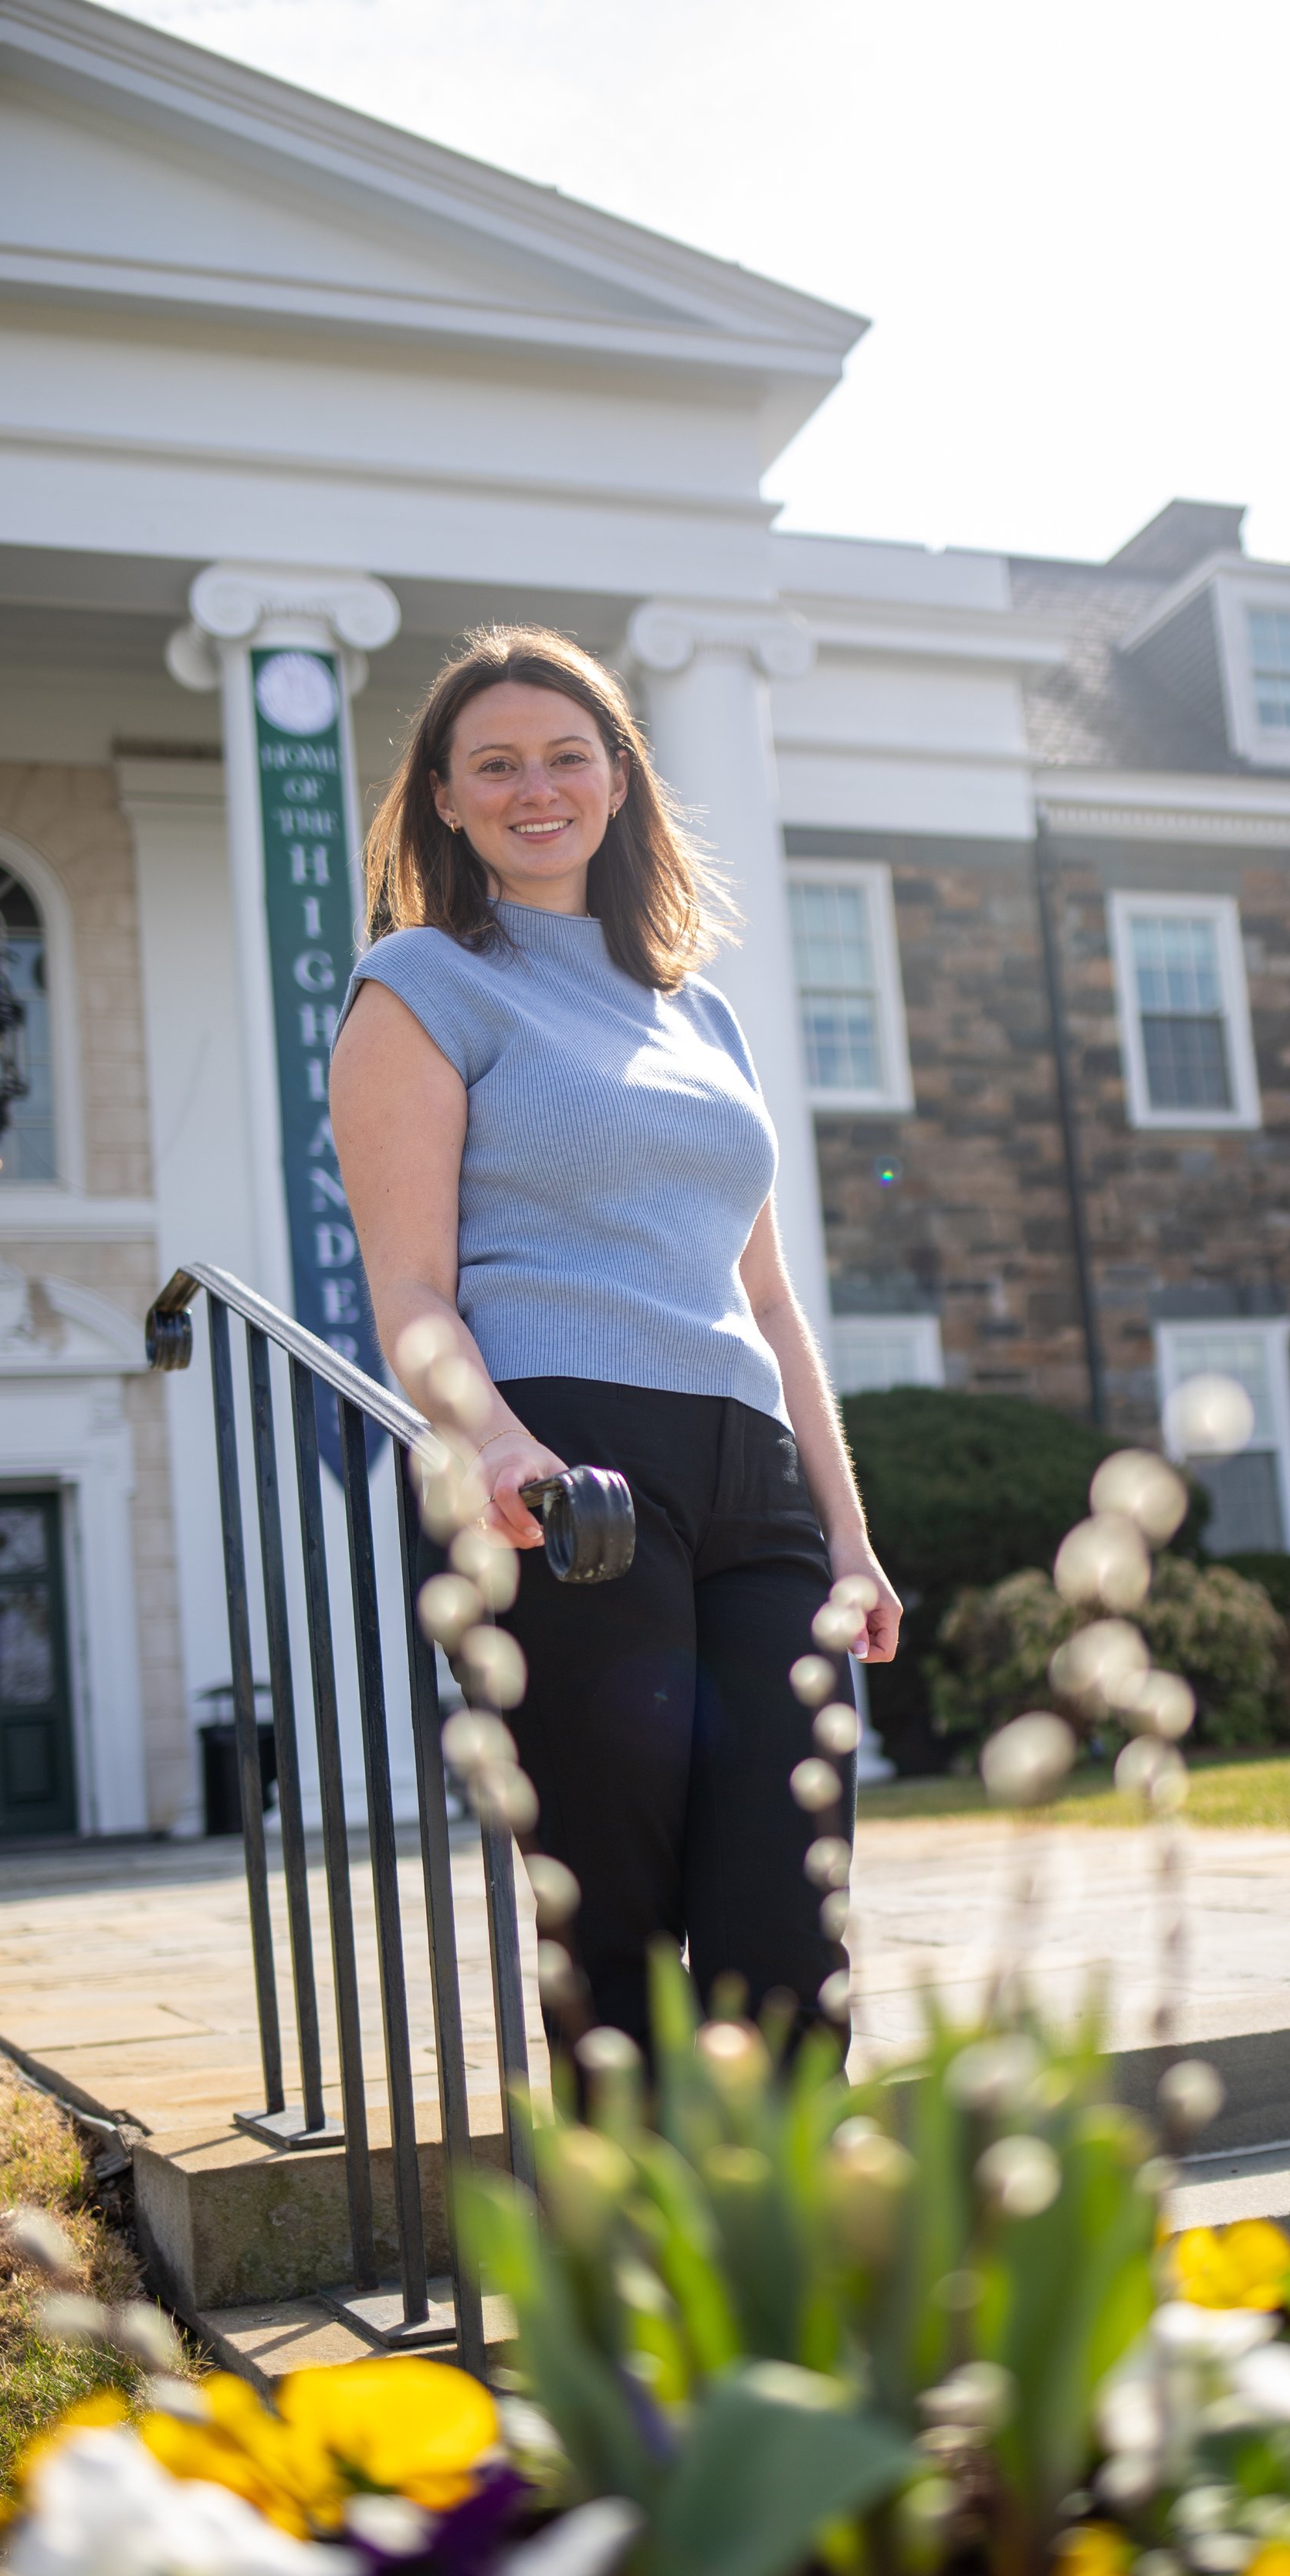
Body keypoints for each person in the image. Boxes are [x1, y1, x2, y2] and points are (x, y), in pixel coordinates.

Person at [330, 625, 902, 2052]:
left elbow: (771, 1302)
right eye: (495, 765)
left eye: (566, 756)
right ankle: (632, 2202)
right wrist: (500, 1445)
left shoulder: (703, 1014)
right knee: (618, 1927)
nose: (537, 788)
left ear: (620, 779)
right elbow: (410, 1289)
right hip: (565, 1472)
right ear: (445, 798)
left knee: (791, 1917)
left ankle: (785, 2199)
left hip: (752, 1484)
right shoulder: (421, 983)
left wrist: (847, 1534)